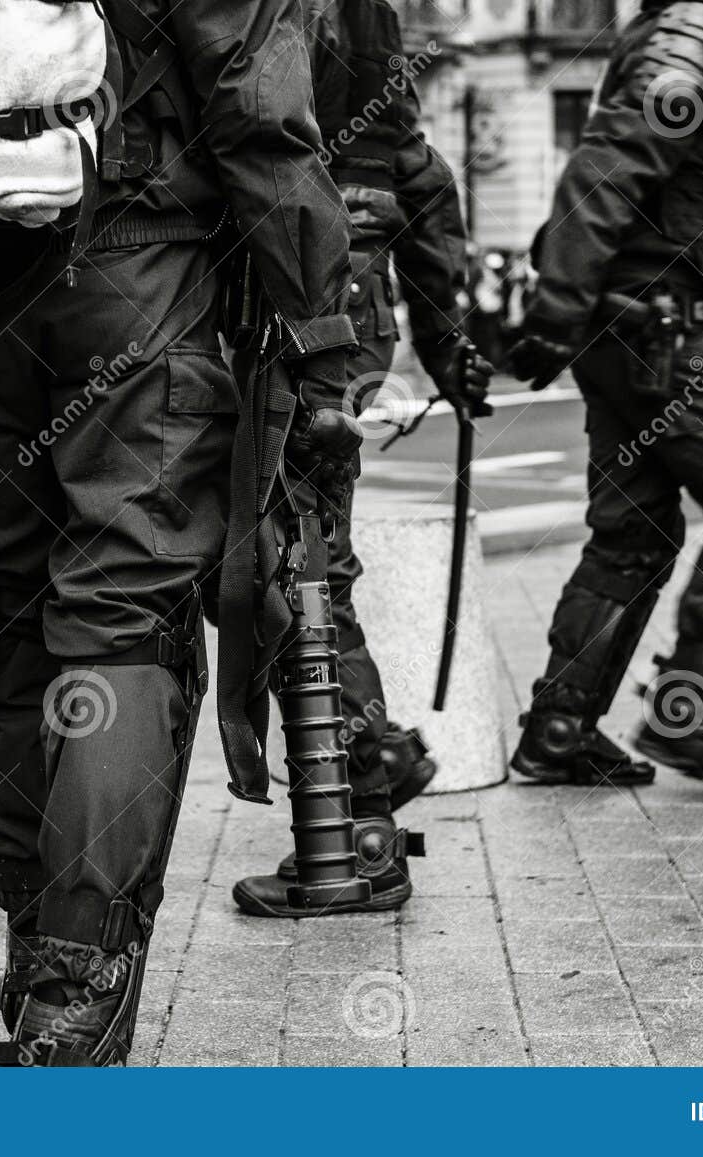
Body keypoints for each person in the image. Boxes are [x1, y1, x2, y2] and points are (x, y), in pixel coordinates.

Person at [0, 0, 355, 1064]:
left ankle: (33, 935)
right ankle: (74, 976)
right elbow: (258, 108)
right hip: (136, 278)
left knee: (6, 617)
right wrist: (319, 343)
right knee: (120, 619)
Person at [505, 0, 703, 795]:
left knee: (632, 539)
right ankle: (695, 716)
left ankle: (559, 731)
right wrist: (556, 306)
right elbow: (610, 163)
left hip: (643, 329)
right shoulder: (689, 31)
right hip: (677, 336)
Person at [231, 0, 493, 920]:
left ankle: (362, 823)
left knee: (297, 567)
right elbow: (421, 172)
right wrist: (449, 336)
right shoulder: (371, 21)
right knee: (303, 563)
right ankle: (360, 803)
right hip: (349, 300)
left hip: (299, 299)